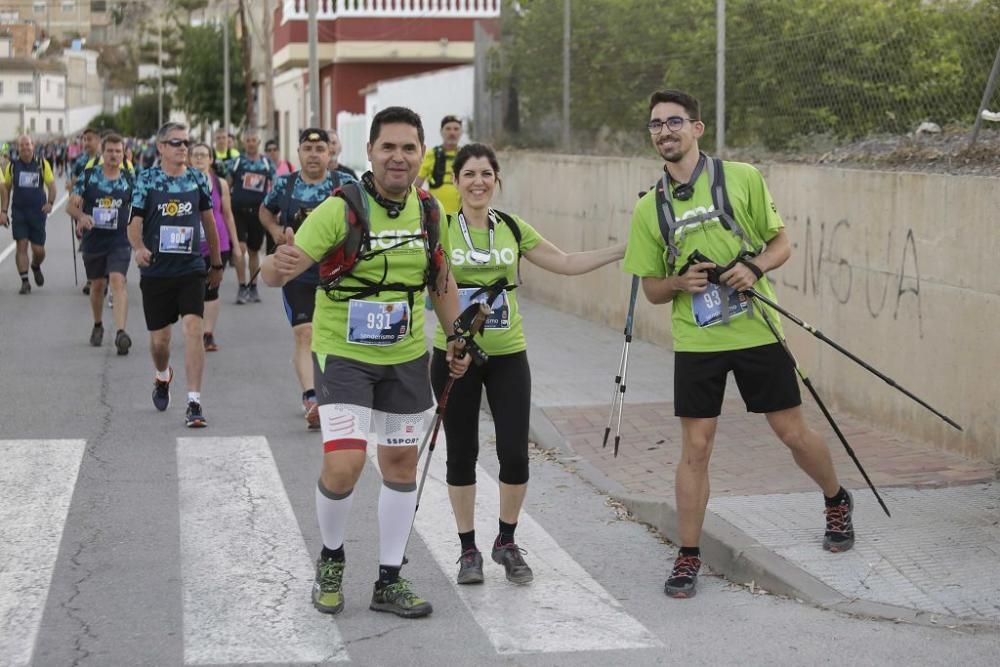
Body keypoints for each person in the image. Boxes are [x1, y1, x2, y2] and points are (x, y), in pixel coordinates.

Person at [622, 89, 855, 599]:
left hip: (757, 329)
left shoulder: (742, 178)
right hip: (697, 340)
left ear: (698, 128)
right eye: (656, 124)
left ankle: (836, 499)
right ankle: (687, 556)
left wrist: (753, 267)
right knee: (696, 448)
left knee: (791, 432)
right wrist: (680, 283)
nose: (665, 131)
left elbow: (782, 243)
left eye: (675, 122)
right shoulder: (650, 207)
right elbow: (652, 290)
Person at [260, 107, 470, 619]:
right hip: (345, 354)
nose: (399, 157)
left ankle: (389, 579)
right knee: (345, 463)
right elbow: (278, 271)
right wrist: (273, 267)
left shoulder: (427, 211)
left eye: (408, 148)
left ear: (421, 154)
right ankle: (331, 559)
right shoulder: (340, 208)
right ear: (369, 153)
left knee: (400, 465)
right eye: (388, 147)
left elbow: (439, 278)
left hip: (404, 356)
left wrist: (457, 335)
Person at [430, 143, 625, 585]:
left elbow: (566, 262)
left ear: (497, 180)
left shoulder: (512, 228)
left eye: (487, 173)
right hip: (456, 357)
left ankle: (506, 541)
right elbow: (423, 283)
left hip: (508, 355)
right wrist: (449, 341)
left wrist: (620, 251)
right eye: (469, 174)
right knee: (461, 453)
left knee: (515, 453)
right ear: (457, 182)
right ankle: (468, 550)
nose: (478, 182)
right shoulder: (440, 228)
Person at [128, 122, 224, 428]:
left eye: (186, 142)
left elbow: (209, 222)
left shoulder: (197, 178)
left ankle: (194, 402)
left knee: (193, 329)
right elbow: (134, 223)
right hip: (156, 271)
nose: (183, 147)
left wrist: (217, 264)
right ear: (161, 148)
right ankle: (162, 375)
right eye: (176, 143)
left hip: (191, 269)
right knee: (160, 342)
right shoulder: (147, 180)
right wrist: (139, 247)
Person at [260, 128, 352, 430]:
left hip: (338, 275)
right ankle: (312, 398)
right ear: (298, 152)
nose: (314, 154)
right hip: (297, 273)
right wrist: (275, 233)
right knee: (304, 333)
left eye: (320, 148)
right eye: (308, 148)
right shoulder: (285, 185)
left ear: (329, 153)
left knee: (334, 337)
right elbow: (265, 210)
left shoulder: (346, 184)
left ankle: (336, 390)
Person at [66, 133, 135, 354]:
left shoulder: (130, 179)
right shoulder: (88, 177)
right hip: (94, 239)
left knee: (118, 281)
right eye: (110, 151)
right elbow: (71, 206)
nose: (114, 155)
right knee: (97, 286)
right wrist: (81, 216)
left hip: (120, 240)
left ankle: (121, 333)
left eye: (118, 151)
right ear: (102, 153)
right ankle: (98, 324)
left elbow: (141, 208)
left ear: (123, 153)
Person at [189, 143, 244, 351]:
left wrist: (236, 245)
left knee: (212, 290)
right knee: (194, 290)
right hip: (191, 244)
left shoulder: (219, 183)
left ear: (211, 159)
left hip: (217, 243)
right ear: (190, 159)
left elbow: (228, 214)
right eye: (196, 155)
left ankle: (208, 333)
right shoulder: (183, 182)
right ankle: (195, 328)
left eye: (204, 155)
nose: (200, 159)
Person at [0, 135, 57, 294]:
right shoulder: (12, 166)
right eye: (22, 145)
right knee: (21, 245)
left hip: (37, 213)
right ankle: (25, 281)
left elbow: (52, 186)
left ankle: (35, 265)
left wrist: (50, 203)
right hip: (19, 213)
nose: (25, 148)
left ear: (33, 146)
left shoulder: (41, 164)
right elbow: (6, 189)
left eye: (28, 144)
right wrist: (4, 211)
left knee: (38, 250)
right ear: (18, 148)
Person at [228, 128, 274, 304]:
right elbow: (227, 183)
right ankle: (241, 286)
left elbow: (275, 185)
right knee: (240, 249)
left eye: (254, 140)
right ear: (244, 142)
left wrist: (274, 209)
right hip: (238, 211)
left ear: (259, 142)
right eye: (248, 140)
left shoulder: (266, 163)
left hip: (258, 213)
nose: (251, 143)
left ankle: (253, 286)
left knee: (254, 251)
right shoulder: (237, 162)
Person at [69, 128, 102, 295]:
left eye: (90, 139)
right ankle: (92, 278)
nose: (86, 143)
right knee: (87, 244)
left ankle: (104, 276)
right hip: (85, 209)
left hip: (106, 207)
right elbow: (72, 182)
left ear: (98, 140)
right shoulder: (80, 161)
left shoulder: (108, 158)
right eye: (84, 139)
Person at [415, 115, 462, 215]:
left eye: (456, 129)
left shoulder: (466, 155)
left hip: (461, 215)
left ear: (461, 132)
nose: (452, 133)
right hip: (436, 214)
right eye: (448, 129)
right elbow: (417, 185)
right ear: (441, 131)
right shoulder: (431, 154)